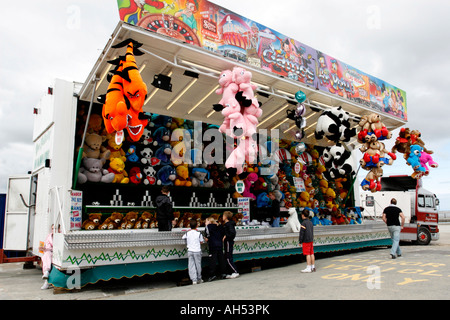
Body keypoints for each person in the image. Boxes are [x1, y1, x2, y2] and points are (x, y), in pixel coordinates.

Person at [182, 219, 205, 285]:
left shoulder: (187, 233)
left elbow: (183, 237)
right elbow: (201, 241)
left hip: (190, 251)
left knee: (191, 265)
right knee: (198, 265)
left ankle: (193, 280)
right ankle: (199, 278)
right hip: (197, 251)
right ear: (197, 226)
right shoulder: (199, 234)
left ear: (189, 226)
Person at [204, 216, 226, 282]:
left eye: (206, 221)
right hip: (220, 244)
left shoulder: (208, 227)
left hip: (213, 245)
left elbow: (207, 236)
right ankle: (223, 273)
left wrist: (206, 239)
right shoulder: (219, 226)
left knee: (212, 260)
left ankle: (212, 275)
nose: (205, 223)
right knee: (221, 259)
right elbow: (223, 234)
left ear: (209, 221)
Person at [222, 211, 239, 279]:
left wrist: (226, 236)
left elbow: (232, 233)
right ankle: (230, 272)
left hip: (229, 242)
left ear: (226, 217)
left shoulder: (229, 224)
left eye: (223, 216)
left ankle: (235, 271)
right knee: (227, 256)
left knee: (229, 257)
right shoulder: (226, 224)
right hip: (227, 242)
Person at [41, 224, 55, 290]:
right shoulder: (49, 236)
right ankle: (46, 272)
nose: (53, 230)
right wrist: (44, 248)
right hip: (51, 252)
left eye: (54, 228)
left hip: (58, 253)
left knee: (47, 255)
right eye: (52, 228)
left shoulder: (60, 236)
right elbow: (47, 247)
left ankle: (46, 282)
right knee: (46, 254)